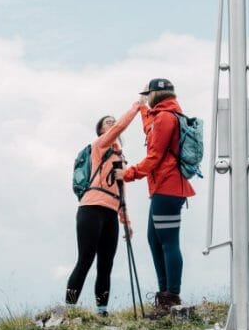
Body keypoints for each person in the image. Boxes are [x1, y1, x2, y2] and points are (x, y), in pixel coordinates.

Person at [118, 78, 196, 317]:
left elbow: (154, 156)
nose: (147, 98)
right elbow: (150, 130)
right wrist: (141, 108)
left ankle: (171, 296)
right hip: (166, 188)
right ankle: (165, 295)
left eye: (148, 95)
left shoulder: (164, 117)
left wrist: (127, 174)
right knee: (155, 240)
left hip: (168, 187)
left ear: (156, 94)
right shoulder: (166, 115)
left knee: (169, 241)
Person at [65, 100, 142, 316]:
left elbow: (121, 189)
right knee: (86, 259)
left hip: (110, 211)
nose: (113, 123)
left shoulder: (120, 157)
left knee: (106, 264)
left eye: (113, 122)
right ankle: (69, 308)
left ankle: (102, 311)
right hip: (91, 207)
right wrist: (137, 106)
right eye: (108, 123)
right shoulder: (99, 146)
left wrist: (125, 220)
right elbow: (119, 128)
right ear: (101, 130)